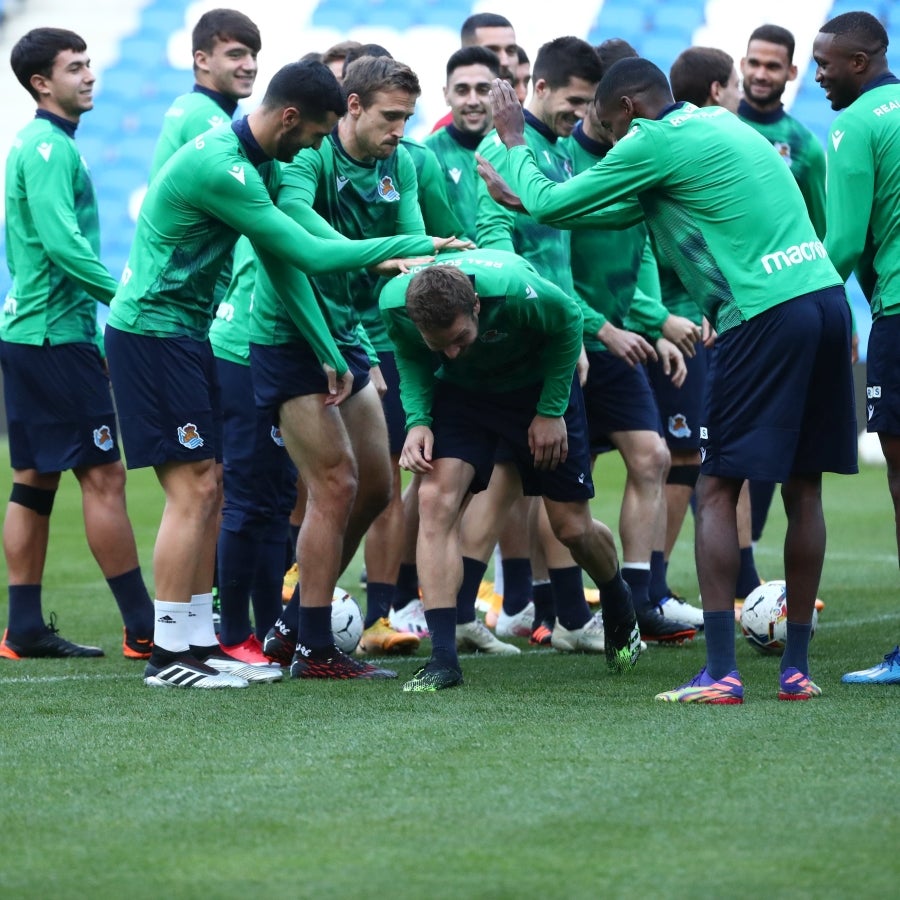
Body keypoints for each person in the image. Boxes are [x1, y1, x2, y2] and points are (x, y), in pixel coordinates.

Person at [484, 58, 857, 703]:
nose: (609, 140)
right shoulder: (718, 124)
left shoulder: (653, 140)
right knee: (804, 486)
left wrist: (516, 144)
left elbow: (552, 201)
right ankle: (795, 671)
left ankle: (720, 673)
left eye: (606, 125)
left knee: (715, 488)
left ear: (627, 110)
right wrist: (529, 198)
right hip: (824, 299)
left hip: (760, 311)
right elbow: (616, 211)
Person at [104, 59, 450, 688]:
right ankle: (170, 655)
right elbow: (308, 252)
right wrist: (417, 250)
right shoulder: (223, 166)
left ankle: (199, 644)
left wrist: (329, 349)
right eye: (317, 133)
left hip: (185, 332)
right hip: (152, 332)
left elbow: (282, 263)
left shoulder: (259, 162)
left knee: (213, 485)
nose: (317, 147)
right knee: (197, 492)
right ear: (293, 118)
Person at [380, 249, 643, 691]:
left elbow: (569, 322)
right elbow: (410, 358)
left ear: (477, 306)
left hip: (535, 389)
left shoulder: (520, 290)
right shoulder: (395, 302)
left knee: (571, 527)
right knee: (434, 498)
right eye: (439, 343)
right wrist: (418, 421)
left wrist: (551, 410)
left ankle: (617, 595)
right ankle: (443, 658)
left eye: (460, 337)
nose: (452, 350)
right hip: (463, 398)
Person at [0, 27, 155, 662]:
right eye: (75, 67)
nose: (89, 75)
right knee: (104, 474)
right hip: (48, 334)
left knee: (35, 479)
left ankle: (25, 628)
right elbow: (63, 247)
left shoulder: (51, 143)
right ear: (43, 82)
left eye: (91, 63)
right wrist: (126, 299)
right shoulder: (46, 147)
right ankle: (144, 626)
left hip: (37, 331)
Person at [472, 35, 604, 650]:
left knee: (524, 484)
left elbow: (561, 257)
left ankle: (567, 617)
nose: (578, 114)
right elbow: (497, 245)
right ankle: (464, 615)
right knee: (510, 483)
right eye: (571, 101)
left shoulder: (557, 153)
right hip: (524, 337)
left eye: (588, 105)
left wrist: (572, 324)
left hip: (553, 331)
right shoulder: (502, 147)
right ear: (539, 87)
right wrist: (559, 331)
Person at [563, 86, 703, 643]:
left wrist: (653, 323)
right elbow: (552, 264)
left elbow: (643, 250)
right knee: (561, 489)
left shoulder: (635, 156)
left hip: (620, 342)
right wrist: (598, 326)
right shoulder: (559, 161)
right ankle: (565, 610)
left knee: (652, 458)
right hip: (572, 344)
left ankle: (642, 599)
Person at [812, 10, 900, 685]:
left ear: (860, 63)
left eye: (827, 63)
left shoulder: (856, 123)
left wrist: (809, 309)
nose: (818, 75)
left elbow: (840, 243)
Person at [740, 23, 831, 572]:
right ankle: (739, 574)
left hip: (784, 312)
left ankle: (746, 573)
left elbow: (821, 239)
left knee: (778, 449)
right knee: (721, 449)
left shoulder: (804, 145)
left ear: (791, 73)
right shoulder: (717, 127)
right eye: (753, 62)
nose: (760, 73)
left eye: (773, 65)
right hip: (726, 312)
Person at [149, 8, 261, 178]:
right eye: (236, 55)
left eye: (253, 56)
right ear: (202, 60)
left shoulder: (188, 103)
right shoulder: (203, 115)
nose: (250, 66)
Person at [431, 12, 519, 132]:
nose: (505, 61)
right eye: (492, 50)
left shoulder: (531, 128)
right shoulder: (441, 140)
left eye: (511, 50)